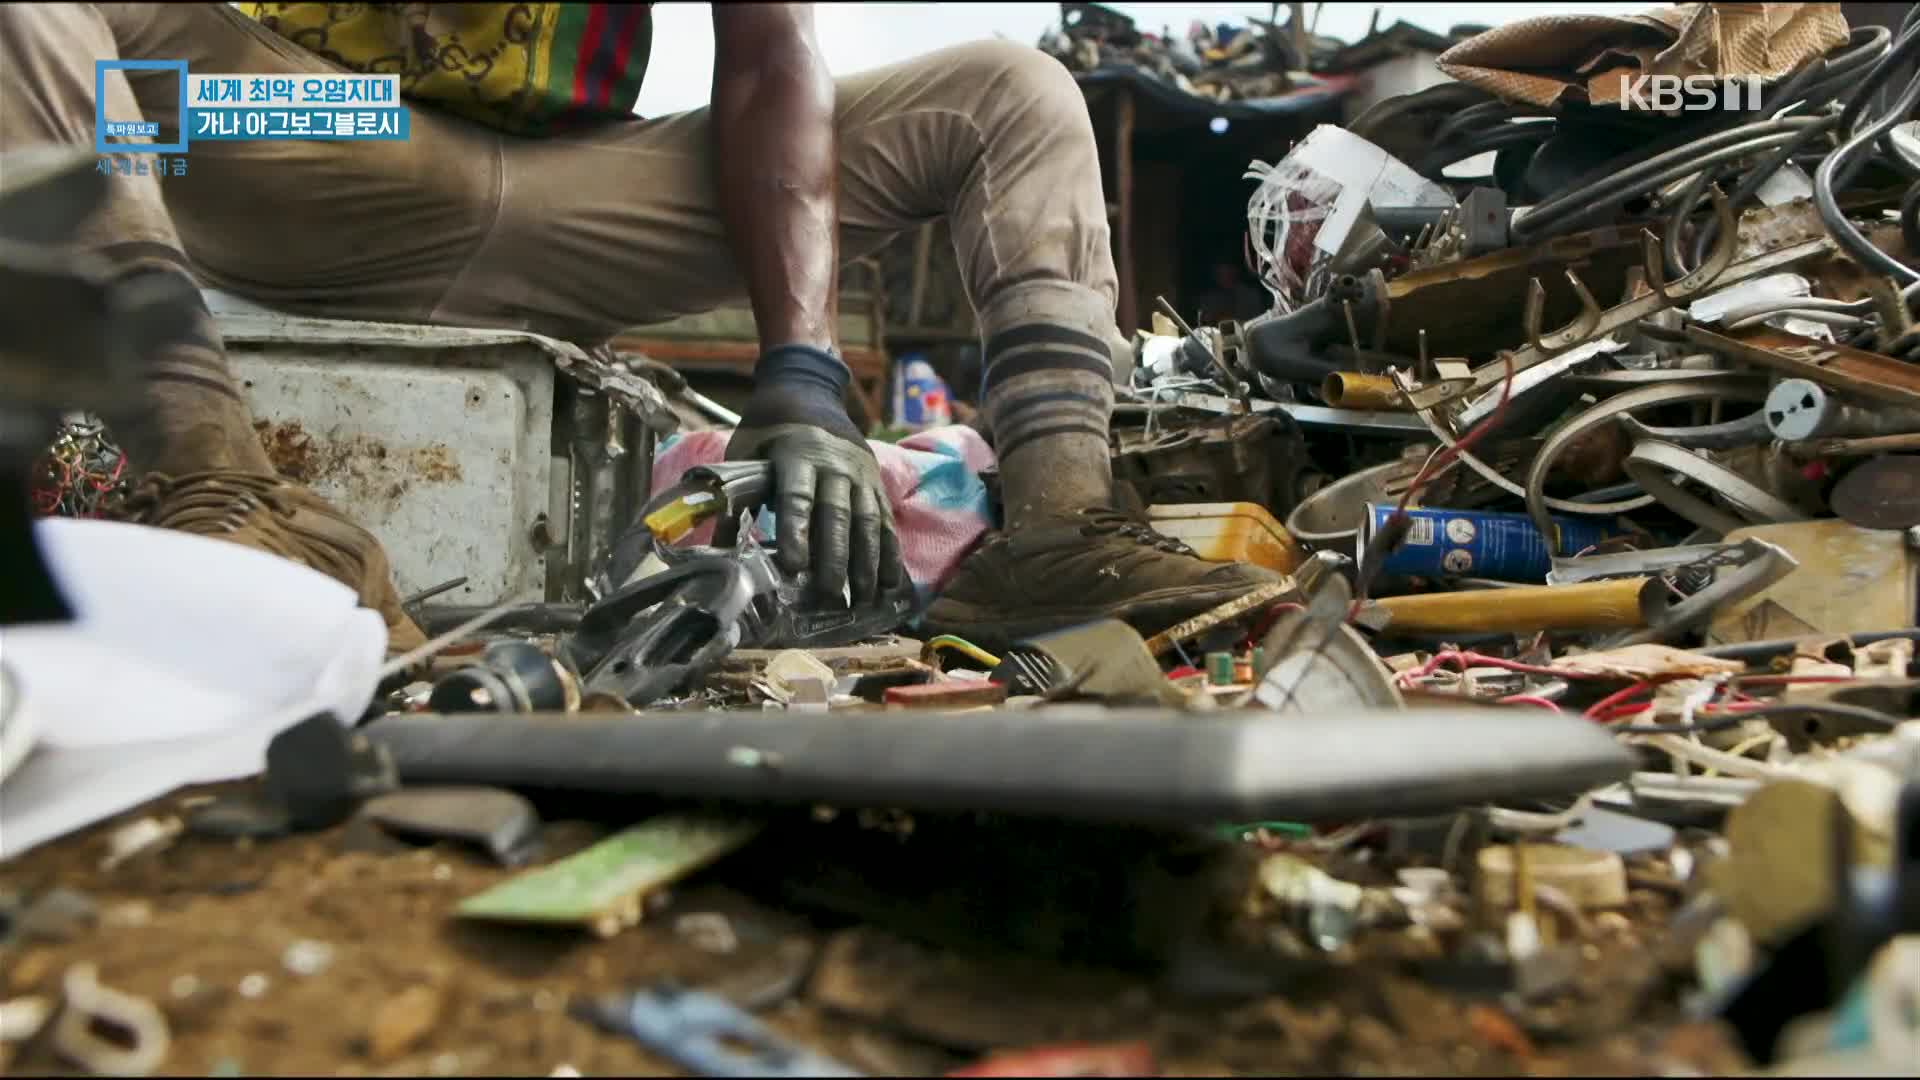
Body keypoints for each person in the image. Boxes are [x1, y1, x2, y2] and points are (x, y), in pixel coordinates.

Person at [1, 3, 1282, 654]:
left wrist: (803, 371)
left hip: (573, 187)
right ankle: (220, 493)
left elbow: (771, 61)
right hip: (319, 135)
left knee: (1009, 93)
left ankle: (1058, 533)